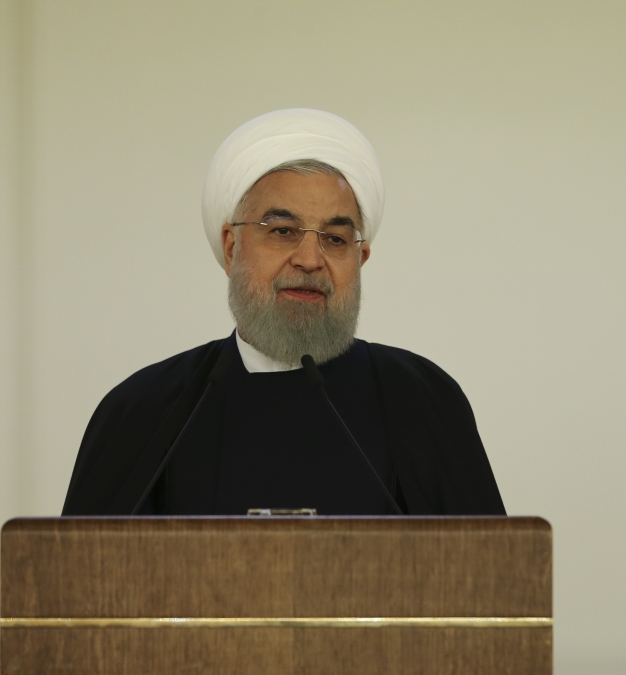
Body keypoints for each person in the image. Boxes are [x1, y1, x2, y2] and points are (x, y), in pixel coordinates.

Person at [62, 109, 504, 517]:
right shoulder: (143, 411)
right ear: (232, 247)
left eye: (334, 239)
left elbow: (492, 588)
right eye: (283, 231)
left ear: (361, 258)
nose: (310, 260)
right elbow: (76, 590)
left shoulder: (421, 400)